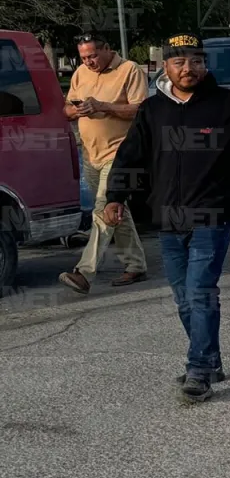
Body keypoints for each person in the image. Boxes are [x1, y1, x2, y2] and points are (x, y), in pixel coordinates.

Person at [103, 34, 230, 404]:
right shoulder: (152, 110)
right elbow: (130, 155)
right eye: (179, 62)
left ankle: (198, 370)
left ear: (205, 65)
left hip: (212, 214)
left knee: (200, 292)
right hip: (166, 216)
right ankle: (210, 359)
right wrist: (116, 196)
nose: (188, 69)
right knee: (183, 298)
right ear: (165, 66)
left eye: (196, 61)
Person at [58, 34, 149, 294]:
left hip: (120, 154)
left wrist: (103, 106)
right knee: (117, 209)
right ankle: (136, 264)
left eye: (93, 56)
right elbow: (66, 109)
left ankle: (84, 272)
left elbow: (141, 109)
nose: (89, 62)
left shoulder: (128, 70)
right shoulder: (80, 73)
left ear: (107, 49)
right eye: (84, 57)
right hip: (90, 154)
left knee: (103, 208)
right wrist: (77, 110)